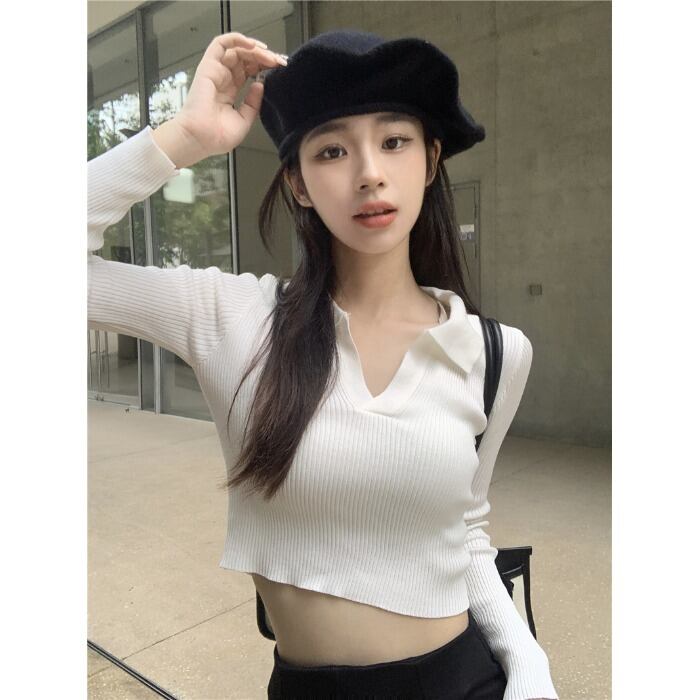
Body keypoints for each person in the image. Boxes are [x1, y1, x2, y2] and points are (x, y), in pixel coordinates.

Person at [88, 28, 558, 700]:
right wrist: (184, 137)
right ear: (299, 183)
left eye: (394, 141)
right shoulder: (235, 319)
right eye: (332, 150)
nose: (369, 172)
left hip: (460, 681)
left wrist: (527, 663)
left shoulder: (494, 352)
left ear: (430, 160)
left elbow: (465, 530)